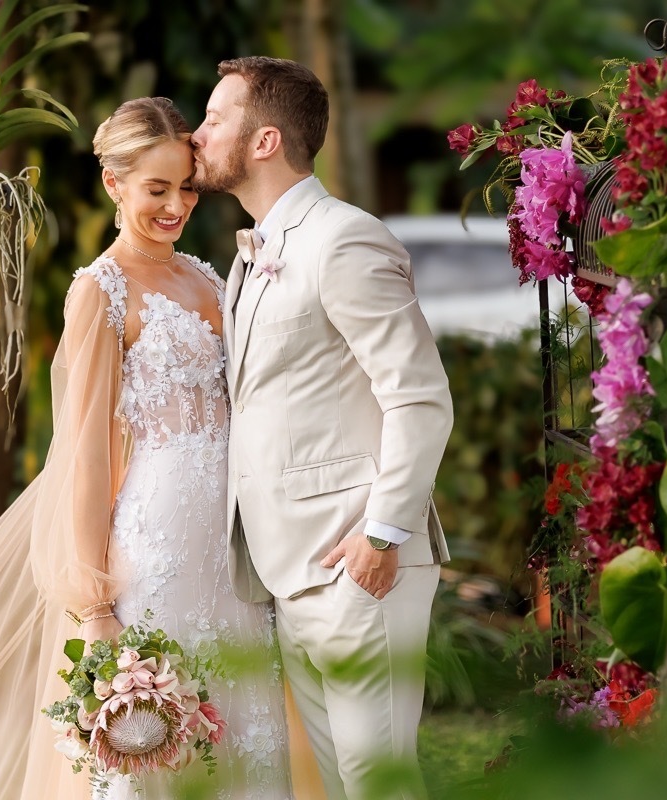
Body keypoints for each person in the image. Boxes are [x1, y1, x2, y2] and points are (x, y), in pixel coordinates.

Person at [0, 98, 294, 800]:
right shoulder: (100, 292)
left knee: (241, 734)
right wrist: (94, 605)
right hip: (155, 549)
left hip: (231, 551)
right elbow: (84, 452)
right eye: (156, 188)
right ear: (114, 184)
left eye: (185, 187)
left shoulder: (209, 277)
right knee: (153, 740)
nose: (176, 205)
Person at [190, 57, 453, 800]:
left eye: (215, 118)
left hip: (359, 563)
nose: (197, 133)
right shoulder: (253, 256)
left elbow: (420, 395)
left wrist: (383, 534)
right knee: (342, 785)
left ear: (266, 140)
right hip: (291, 569)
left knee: (379, 781)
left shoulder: (344, 239)